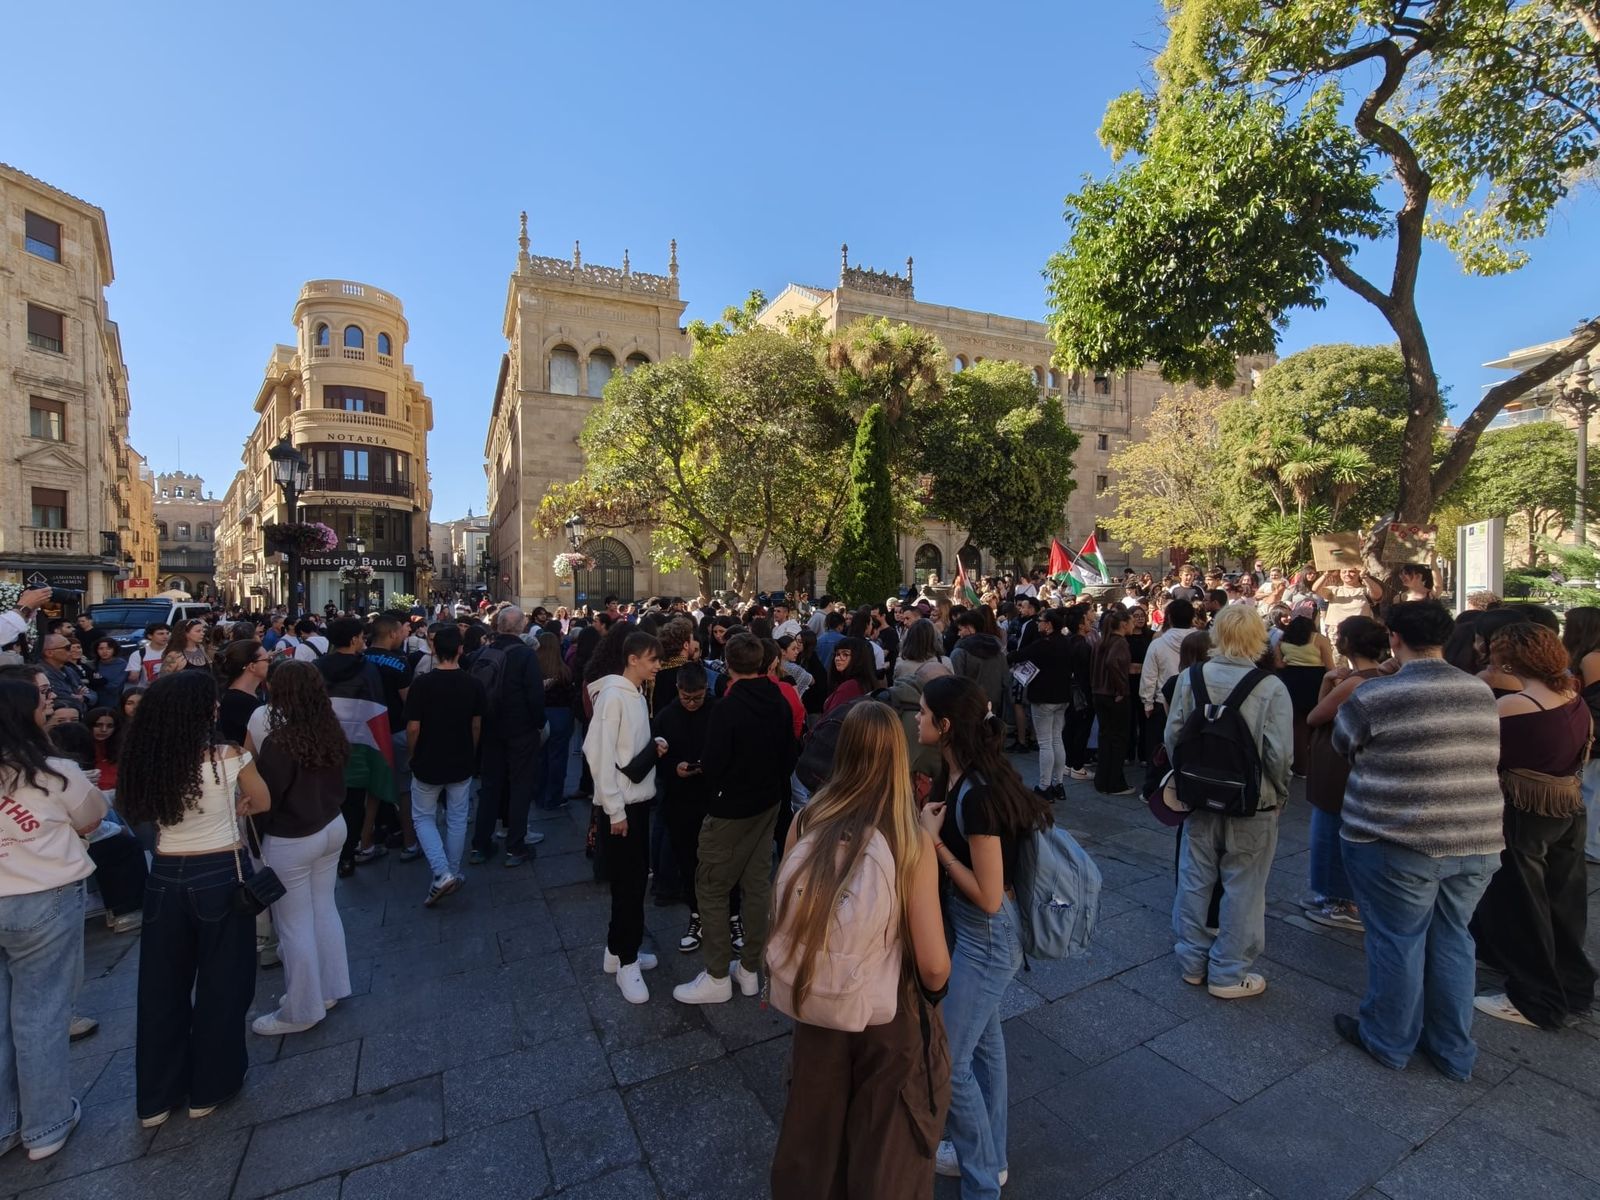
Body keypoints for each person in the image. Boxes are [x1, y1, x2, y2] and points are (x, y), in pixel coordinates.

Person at [770, 702, 952, 1200]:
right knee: (884, 1146)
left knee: (814, 1136)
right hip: (887, 1012)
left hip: (819, 996)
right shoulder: (908, 839)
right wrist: (933, 996)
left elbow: (785, 903)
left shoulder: (808, 819)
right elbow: (935, 964)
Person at [1329, 600, 1504, 1081]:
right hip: (1476, 835)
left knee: (1397, 941)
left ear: (1394, 638)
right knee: (1453, 939)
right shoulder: (1480, 692)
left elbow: (1342, 743)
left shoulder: (1376, 696)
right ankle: (1452, 1050)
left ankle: (1388, 1039)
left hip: (1398, 838)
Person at [915, 674, 1052, 1196]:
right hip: (978, 935)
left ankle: (981, 1181)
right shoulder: (966, 774)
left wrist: (936, 847)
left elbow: (990, 894)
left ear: (946, 726)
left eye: (924, 714)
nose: (917, 719)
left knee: (949, 1059)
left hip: (987, 937)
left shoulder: (977, 793)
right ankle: (991, 1157)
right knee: (985, 1049)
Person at [119, 669, 272, 1126]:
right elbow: (260, 801)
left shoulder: (145, 759)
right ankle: (211, 1084)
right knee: (223, 983)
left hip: (166, 874)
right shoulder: (229, 755)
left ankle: (156, 1098)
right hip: (219, 871)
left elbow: (137, 812)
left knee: (160, 988)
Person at [0, 677, 107, 1160]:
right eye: (42, 703)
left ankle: (4, 1124)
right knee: (41, 1012)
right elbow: (91, 817)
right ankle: (45, 1124)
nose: (49, 707)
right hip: (44, 894)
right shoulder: (55, 772)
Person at [1469, 623, 1596, 1029]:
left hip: (1526, 812)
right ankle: (1572, 985)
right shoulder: (1570, 690)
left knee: (1522, 903)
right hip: (1568, 804)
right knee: (1563, 898)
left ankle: (1534, 998)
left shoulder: (1515, 705)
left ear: (1508, 660)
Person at [1165, 604, 1293, 999]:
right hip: (1252, 802)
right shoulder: (1270, 687)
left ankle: (1191, 961)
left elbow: (1173, 736)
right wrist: (1280, 791)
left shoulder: (1191, 677)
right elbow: (1279, 755)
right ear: (1258, 638)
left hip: (1200, 795)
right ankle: (1228, 970)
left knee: (1195, 876)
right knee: (1243, 884)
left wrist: (1187, 778)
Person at [674, 634, 799, 1006]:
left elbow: (713, 763)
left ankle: (716, 975)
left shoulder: (727, 709)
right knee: (757, 884)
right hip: (769, 802)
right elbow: (789, 751)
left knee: (711, 887)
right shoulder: (778, 697)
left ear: (728, 664)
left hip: (732, 809)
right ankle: (749, 969)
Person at [244, 662, 352, 1036]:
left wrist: (253, 831)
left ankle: (302, 1008)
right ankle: (330, 987)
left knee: (294, 925)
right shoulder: (329, 728)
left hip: (293, 836)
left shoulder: (281, 741)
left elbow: (266, 799)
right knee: (323, 908)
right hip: (330, 826)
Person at [585, 629, 663, 1004]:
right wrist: (615, 811)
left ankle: (617, 952)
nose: (658, 666)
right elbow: (598, 754)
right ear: (633, 659)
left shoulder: (631, 693)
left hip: (635, 802)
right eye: (653, 659)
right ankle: (627, 961)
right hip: (622, 809)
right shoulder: (614, 697)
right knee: (629, 886)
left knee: (631, 883)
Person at [1302, 616, 1389, 933]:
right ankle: (1340, 897)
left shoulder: (1355, 682)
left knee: (1329, 829)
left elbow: (1316, 716)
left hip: (1336, 761)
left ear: (1348, 642)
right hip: (1358, 761)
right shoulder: (1382, 675)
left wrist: (1328, 682)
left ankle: (1339, 901)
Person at [403, 626, 486, 903]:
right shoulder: (473, 683)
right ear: (460, 649)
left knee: (423, 817)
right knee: (457, 817)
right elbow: (476, 724)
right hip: (461, 757)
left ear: (434, 649)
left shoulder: (422, 685)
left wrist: (412, 754)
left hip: (428, 758)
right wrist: (471, 751)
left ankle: (441, 871)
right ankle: (452, 870)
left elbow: (413, 727)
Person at [469, 607, 547, 867]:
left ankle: (480, 845)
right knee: (520, 785)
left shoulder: (484, 652)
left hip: (491, 728)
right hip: (520, 730)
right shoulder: (525, 654)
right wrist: (538, 725)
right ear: (521, 626)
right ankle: (516, 845)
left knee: (490, 787)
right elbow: (535, 696)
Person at [652, 661, 720, 954]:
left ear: (707, 689)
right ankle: (696, 913)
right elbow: (655, 756)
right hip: (679, 800)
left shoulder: (718, 711)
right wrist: (672, 766)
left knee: (716, 862)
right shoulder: (667, 716)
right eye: (686, 697)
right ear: (678, 690)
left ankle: (723, 915)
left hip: (712, 799)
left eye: (698, 697)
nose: (692, 703)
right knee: (687, 861)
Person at [314, 618, 391, 875]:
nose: (363, 640)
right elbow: (376, 708)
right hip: (358, 744)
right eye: (360, 636)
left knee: (326, 799)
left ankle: (327, 852)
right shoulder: (367, 670)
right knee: (354, 803)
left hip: (324, 744)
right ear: (352, 640)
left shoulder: (316, 668)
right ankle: (347, 855)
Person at [1006, 608, 1074, 799]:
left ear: (1049, 624)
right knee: (1056, 739)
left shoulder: (1043, 644)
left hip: (1044, 697)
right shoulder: (1065, 642)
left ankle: (1044, 786)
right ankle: (1058, 783)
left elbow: (1016, 655)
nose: (1038, 623)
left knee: (1045, 743)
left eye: (1041, 621)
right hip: (1062, 696)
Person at [1561, 605, 1600, 866]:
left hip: (1594, 734)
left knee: (1592, 790)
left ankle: (1592, 846)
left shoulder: (1591, 659)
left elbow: (1595, 700)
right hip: (1591, 732)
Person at [1140, 598, 1196, 763]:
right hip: (1195, 698)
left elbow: (1149, 675)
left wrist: (1147, 702)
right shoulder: (1202, 642)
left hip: (1162, 701)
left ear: (1169, 617)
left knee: (1160, 752)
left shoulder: (1157, 644)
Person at [533, 632, 577, 811]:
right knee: (558, 758)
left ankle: (539, 794)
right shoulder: (563, 669)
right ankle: (554, 796)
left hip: (541, 715)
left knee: (540, 758)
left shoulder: (534, 667)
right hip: (561, 715)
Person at [1090, 608, 1133, 794]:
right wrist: (1122, 689)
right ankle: (1114, 782)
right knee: (1117, 739)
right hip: (1113, 695)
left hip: (1099, 693)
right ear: (1124, 624)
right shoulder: (1120, 642)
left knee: (1106, 737)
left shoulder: (1101, 641)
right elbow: (1112, 662)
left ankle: (1103, 780)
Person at [950, 608, 1007, 724]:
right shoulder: (997, 648)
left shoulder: (960, 651)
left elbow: (956, 680)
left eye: (960, 629)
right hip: (993, 702)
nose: (958, 633)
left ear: (970, 628)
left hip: (969, 704)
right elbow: (1005, 678)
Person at [216, 640, 267, 746]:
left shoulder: (247, 696)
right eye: (268, 660)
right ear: (252, 666)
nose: (270, 663)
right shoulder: (239, 702)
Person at [823, 636, 879, 715]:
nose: (838, 658)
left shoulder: (850, 687)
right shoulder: (861, 683)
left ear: (858, 658)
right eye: (837, 654)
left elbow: (831, 718)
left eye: (845, 654)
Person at [86, 637, 129, 707]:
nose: (104, 651)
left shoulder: (122, 664)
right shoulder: (91, 664)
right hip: (92, 702)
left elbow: (114, 687)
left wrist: (98, 683)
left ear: (114, 650)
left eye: (108, 648)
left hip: (113, 702)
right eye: (101, 649)